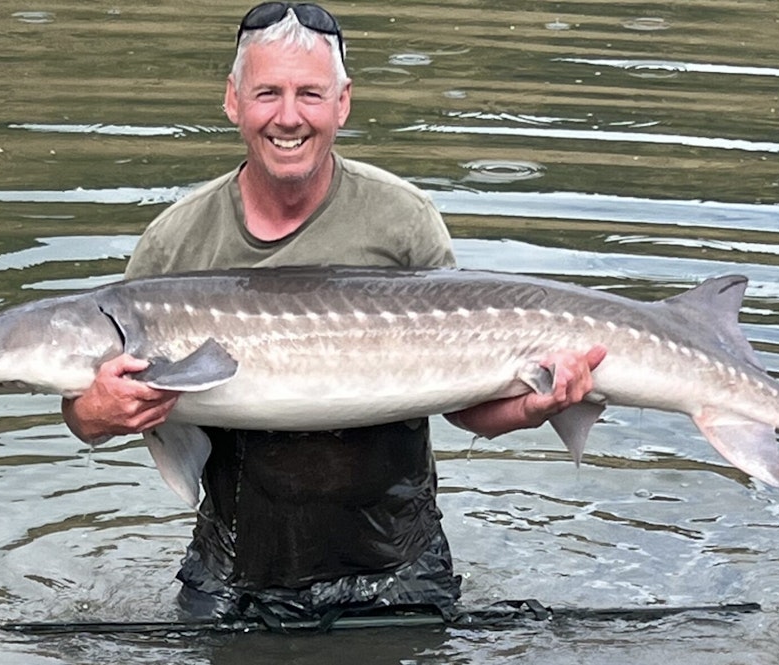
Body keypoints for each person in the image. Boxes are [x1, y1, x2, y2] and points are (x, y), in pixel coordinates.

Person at [62, 2, 605, 620]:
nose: (288, 117)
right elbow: (106, 411)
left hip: (397, 557)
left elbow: (468, 405)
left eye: (310, 94)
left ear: (342, 103)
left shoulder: (401, 219)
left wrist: (539, 404)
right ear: (233, 101)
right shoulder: (176, 241)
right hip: (236, 561)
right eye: (267, 92)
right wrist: (91, 414)